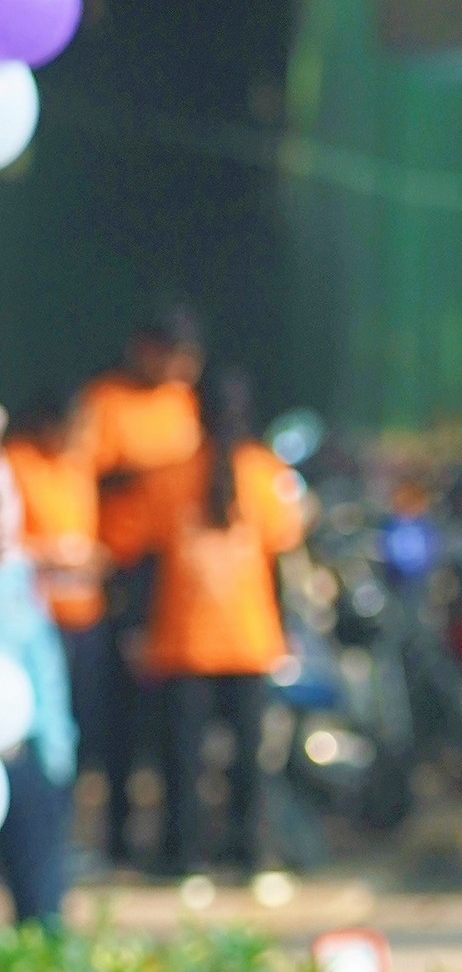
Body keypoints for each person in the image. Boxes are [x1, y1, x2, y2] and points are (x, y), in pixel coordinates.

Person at [103, 368, 304, 879]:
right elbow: (279, 563)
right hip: (250, 638)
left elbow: (144, 564)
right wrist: (285, 632)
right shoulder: (267, 474)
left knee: (182, 758)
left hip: (183, 638)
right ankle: (248, 854)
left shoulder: (169, 477)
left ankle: (184, 855)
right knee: (248, 757)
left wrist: (137, 628)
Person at [76, 306, 205, 865]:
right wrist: (146, 477)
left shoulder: (182, 403)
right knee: (120, 708)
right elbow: (87, 476)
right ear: (144, 348)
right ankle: (118, 836)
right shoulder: (106, 402)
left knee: (173, 708)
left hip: (173, 567)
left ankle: (175, 840)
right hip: (123, 568)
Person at [5, 390, 109, 818]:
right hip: (30, 616)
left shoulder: (79, 466)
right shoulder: (17, 462)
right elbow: (9, 545)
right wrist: (50, 554)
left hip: (83, 614)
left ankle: (62, 820)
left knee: (74, 728)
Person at [0, 411, 78, 923]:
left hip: (25, 756)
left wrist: (56, 753)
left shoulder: (18, 577)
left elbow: (44, 668)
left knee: (41, 914)